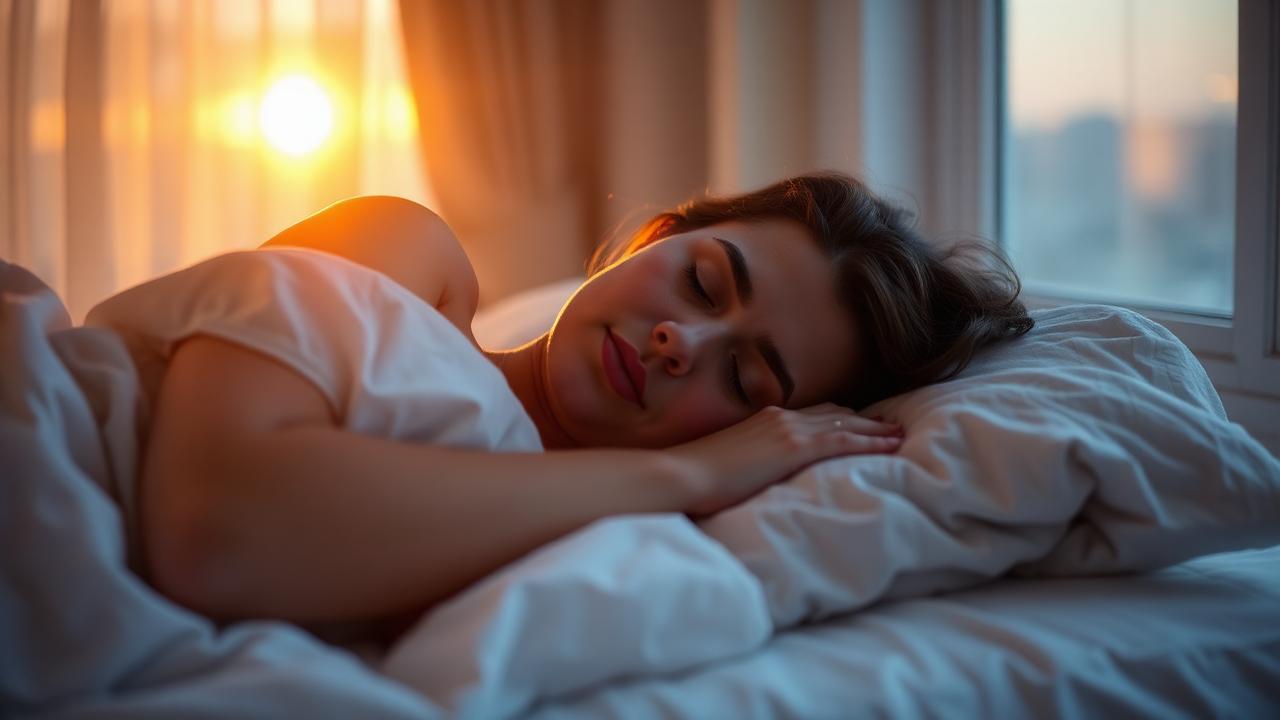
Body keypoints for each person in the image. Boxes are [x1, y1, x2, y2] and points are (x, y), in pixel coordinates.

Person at [116, 171, 1031, 642]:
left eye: (746, 381)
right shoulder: (405, 249)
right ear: (652, 240)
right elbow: (217, 531)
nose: (682, 342)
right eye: (702, 283)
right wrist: (681, 473)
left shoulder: (591, 558)